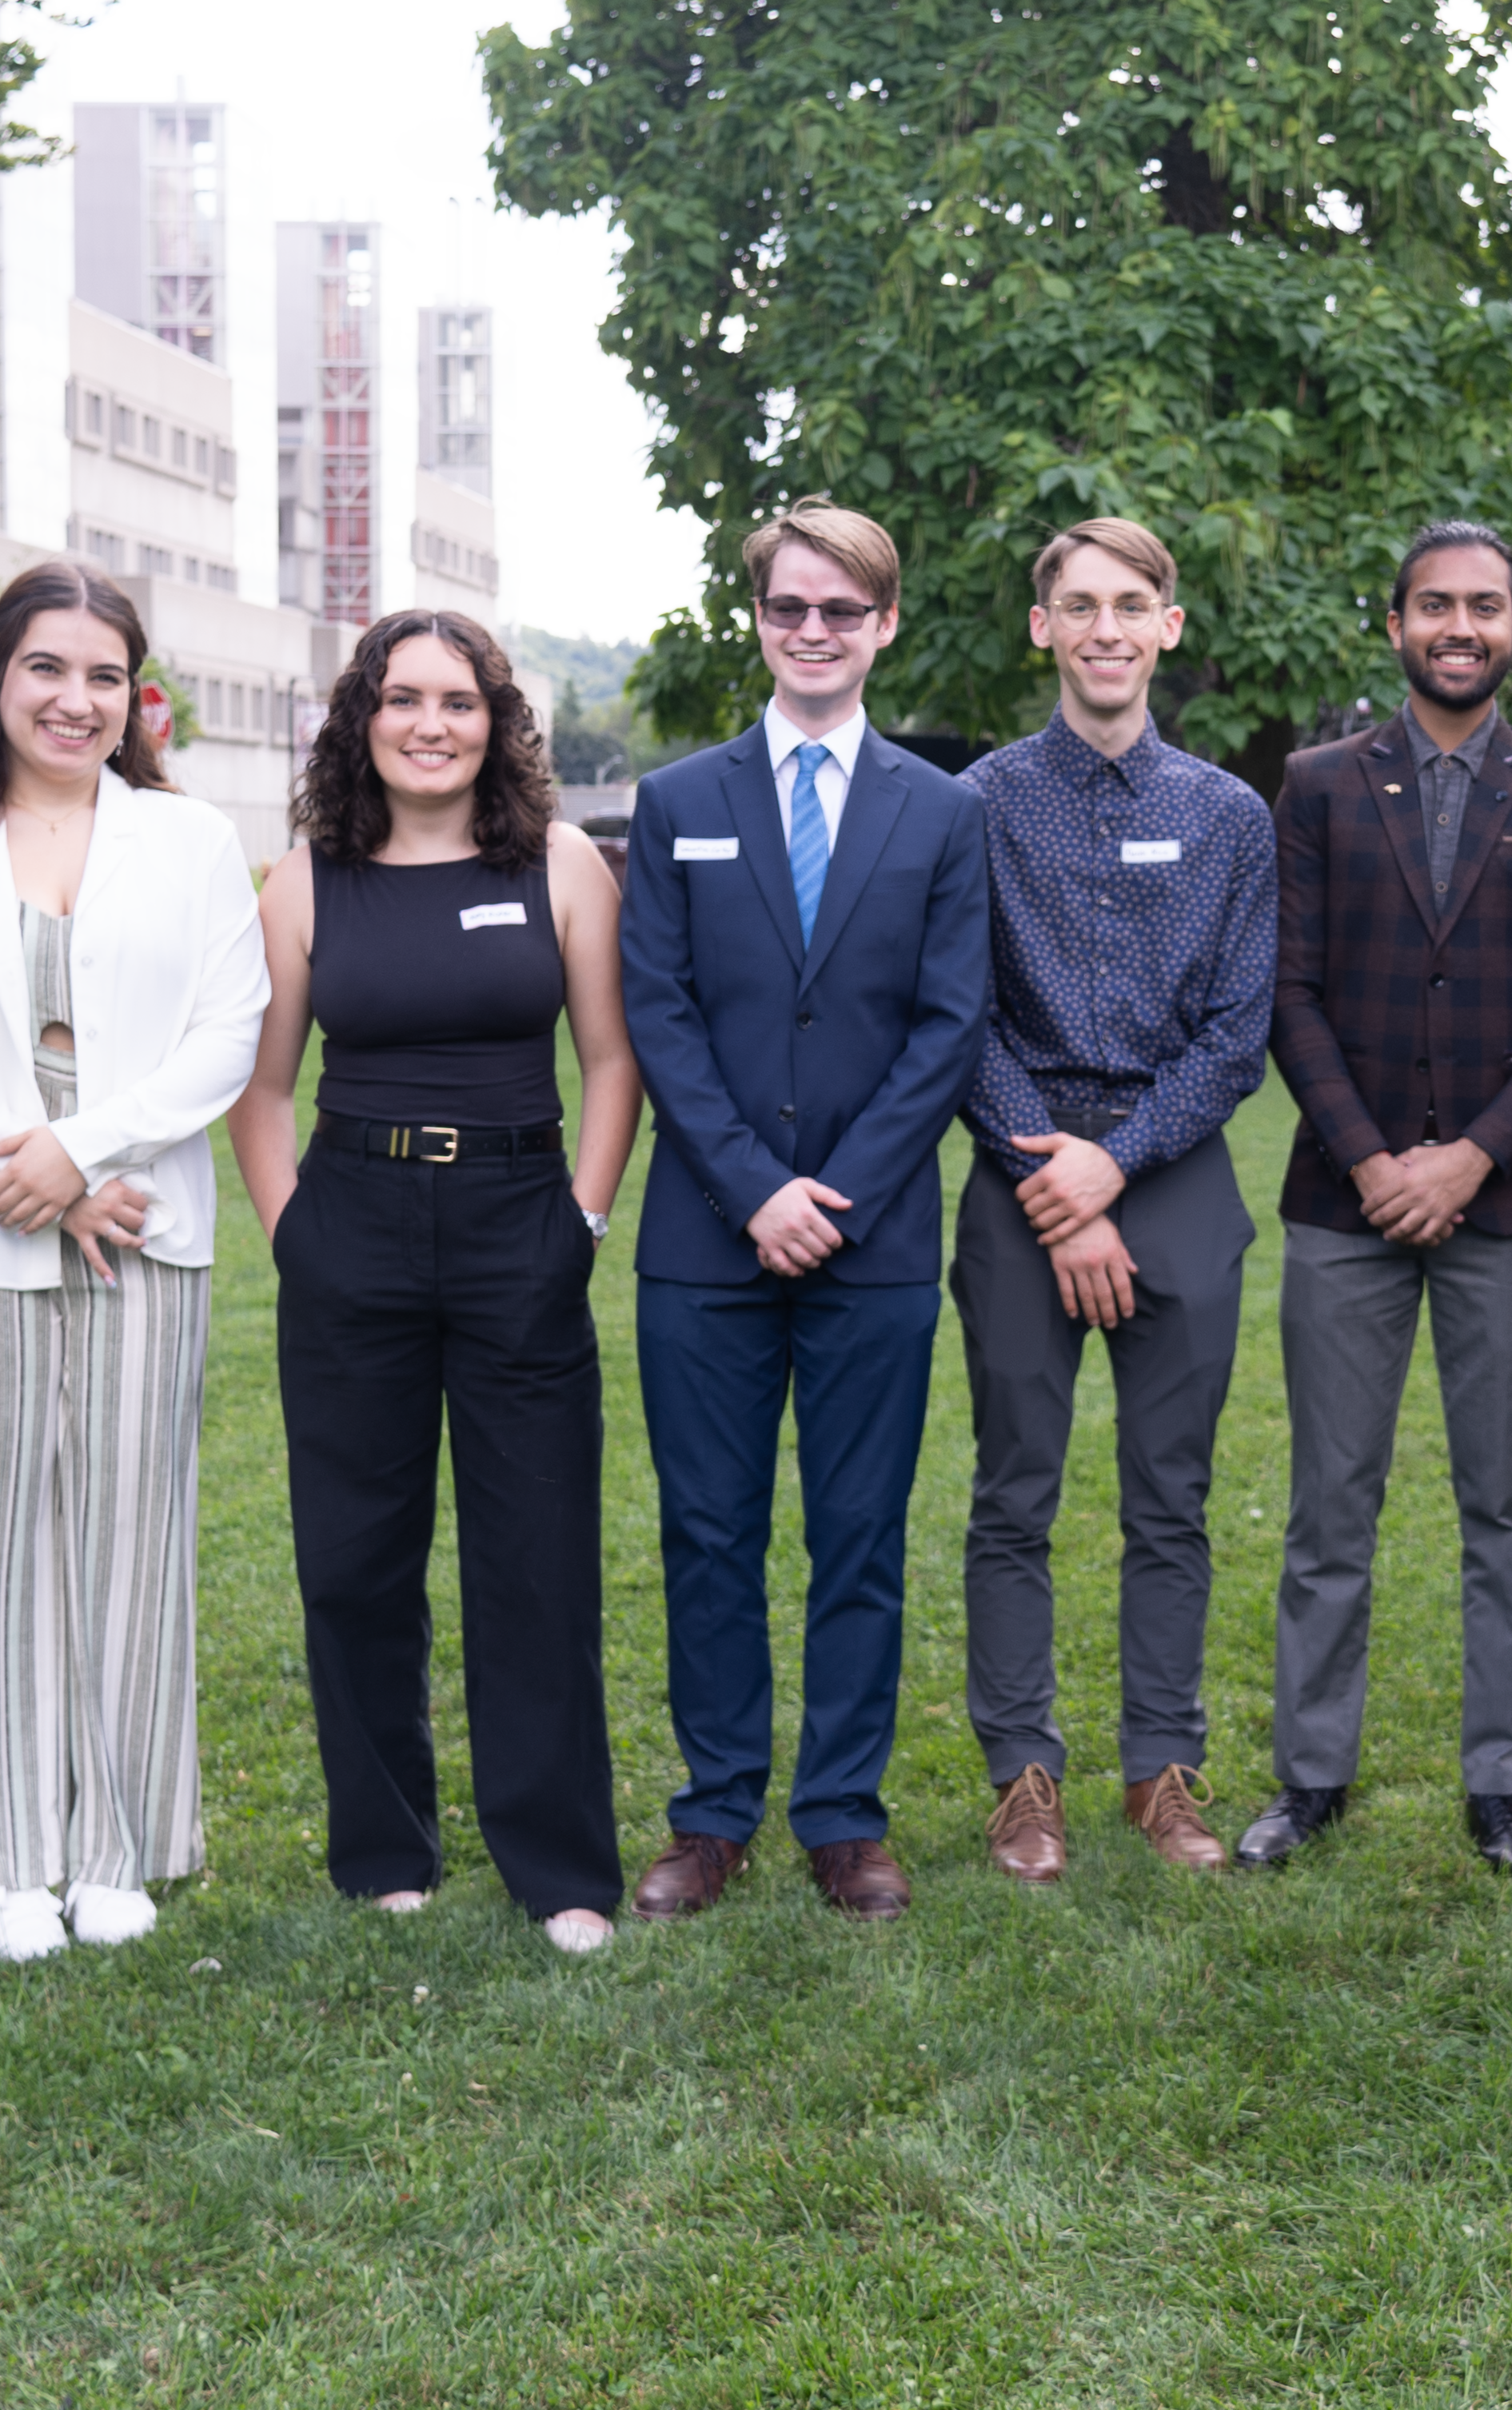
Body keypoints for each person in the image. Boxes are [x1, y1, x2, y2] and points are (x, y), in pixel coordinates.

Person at [0, 565, 269, 1963]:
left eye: (101, 675)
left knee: (130, 1539)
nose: (73, 699)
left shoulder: (190, 842)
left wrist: (82, 1157)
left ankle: (116, 1843)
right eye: (45, 669)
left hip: (144, 1225)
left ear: (132, 693)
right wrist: (16, 1167)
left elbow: (228, 1029)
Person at [233, 612, 641, 1954]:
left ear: (494, 720)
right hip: (350, 1221)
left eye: (455, 701)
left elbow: (610, 1059)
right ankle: (382, 1847)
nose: (429, 723)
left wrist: (580, 1219)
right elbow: (265, 1084)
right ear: (362, 718)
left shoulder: (561, 864)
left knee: (534, 1552)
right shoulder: (304, 881)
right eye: (400, 699)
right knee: (355, 1554)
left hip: (518, 1221)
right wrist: (296, 1231)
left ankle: (559, 1863)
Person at [616, 504, 993, 1924]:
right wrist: (750, 1187)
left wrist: (834, 1193)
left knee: (858, 1531)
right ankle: (711, 1814)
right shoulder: (677, 803)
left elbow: (949, 1023)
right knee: (706, 1533)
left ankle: (842, 1815)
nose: (815, 632)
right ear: (758, 621)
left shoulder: (944, 811)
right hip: (705, 1241)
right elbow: (655, 1010)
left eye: (842, 610)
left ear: (883, 623)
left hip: (875, 1239)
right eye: (790, 609)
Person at [1239, 520, 1512, 1879]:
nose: (1456, 626)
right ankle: (1307, 1776)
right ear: (1394, 623)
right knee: (1326, 1501)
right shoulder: (1317, 785)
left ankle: (1502, 1785)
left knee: (1502, 1506)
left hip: (1508, 1203)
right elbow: (1283, 992)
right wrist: (1369, 1158)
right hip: (1341, 1199)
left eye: (1483, 607)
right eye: (1431, 605)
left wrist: (1467, 1155)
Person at [952, 520, 1279, 1881]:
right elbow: (954, 1012)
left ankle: (1161, 1770)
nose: (1101, 628)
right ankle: (1021, 1775)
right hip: (1019, 1171)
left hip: (1174, 1173)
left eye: (1127, 605)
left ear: (1167, 625)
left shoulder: (1226, 815)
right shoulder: (969, 803)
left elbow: (1235, 1033)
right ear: (1039, 629)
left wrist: (1117, 1168)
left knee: (1171, 1493)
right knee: (1013, 1489)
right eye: (1075, 605)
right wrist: (1056, 1182)